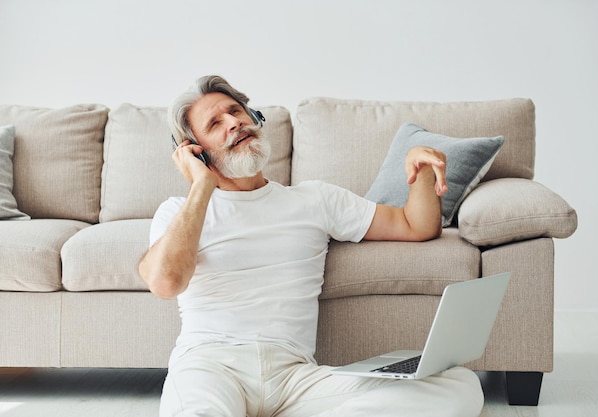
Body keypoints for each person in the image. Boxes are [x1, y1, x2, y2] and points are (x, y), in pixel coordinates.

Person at [139, 75, 484, 417]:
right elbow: (166, 281)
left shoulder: (315, 199)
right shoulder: (179, 212)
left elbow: (415, 225)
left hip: (295, 379)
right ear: (194, 151)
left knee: (459, 385)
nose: (234, 122)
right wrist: (202, 185)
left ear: (254, 117)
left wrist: (421, 168)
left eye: (236, 111)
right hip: (210, 367)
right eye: (215, 123)